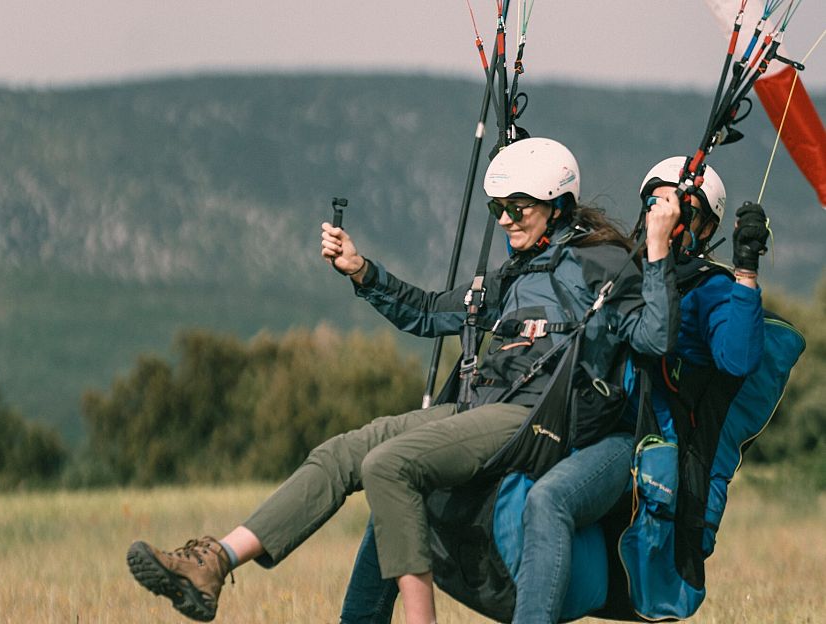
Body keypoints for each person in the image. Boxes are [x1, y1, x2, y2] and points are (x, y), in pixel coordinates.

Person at [125, 137, 682, 624]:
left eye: (518, 207)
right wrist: (363, 271)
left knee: (389, 465)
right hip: (480, 407)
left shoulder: (605, 262)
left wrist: (656, 251)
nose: (506, 219)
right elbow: (432, 313)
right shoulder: (518, 270)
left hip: (539, 418)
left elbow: (655, 339)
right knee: (346, 451)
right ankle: (215, 562)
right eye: (498, 208)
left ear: (558, 207)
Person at [337, 157, 769, 624]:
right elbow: (436, 311)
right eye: (654, 205)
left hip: (636, 439)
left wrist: (745, 268)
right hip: (570, 419)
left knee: (550, 499)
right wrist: (364, 272)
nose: (666, 218)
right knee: (400, 478)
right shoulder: (616, 266)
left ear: (707, 228)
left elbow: (735, 357)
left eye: (684, 212)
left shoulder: (710, 289)